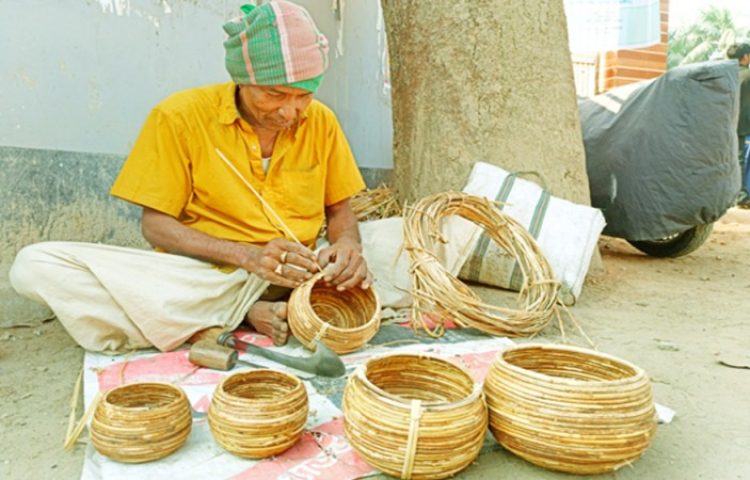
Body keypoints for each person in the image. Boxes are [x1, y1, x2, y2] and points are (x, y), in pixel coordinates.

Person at [9, 0, 370, 352]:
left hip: (298, 272)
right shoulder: (179, 116)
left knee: (392, 243)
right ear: (242, 80)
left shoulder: (321, 121)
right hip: (205, 277)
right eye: (274, 94)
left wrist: (347, 248)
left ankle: (215, 316)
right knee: (34, 266)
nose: (289, 111)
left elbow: (340, 211)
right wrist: (247, 256)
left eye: (303, 95)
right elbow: (156, 227)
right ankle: (240, 311)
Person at [727, 42, 750, 207]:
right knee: (740, 160)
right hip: (742, 126)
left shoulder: (724, 75)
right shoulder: (747, 76)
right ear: (746, 57)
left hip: (722, 125)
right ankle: (741, 197)